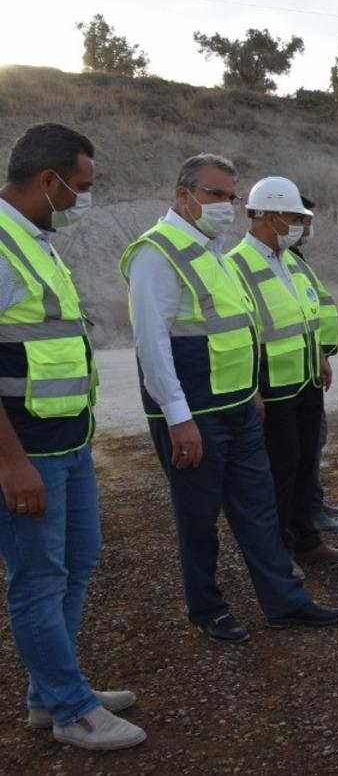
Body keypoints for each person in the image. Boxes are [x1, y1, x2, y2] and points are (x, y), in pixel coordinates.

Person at [120, 155, 338, 644]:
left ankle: (285, 602)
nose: (225, 205)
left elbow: (238, 332)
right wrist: (178, 418)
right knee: (199, 518)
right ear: (183, 195)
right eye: (214, 195)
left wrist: (250, 394)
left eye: (229, 195)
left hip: (239, 409)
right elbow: (152, 345)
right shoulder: (156, 254)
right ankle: (208, 609)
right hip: (194, 416)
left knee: (259, 508)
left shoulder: (212, 251)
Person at [0, 123, 146, 750]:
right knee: (37, 578)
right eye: (79, 187)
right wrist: (11, 463)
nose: (82, 199)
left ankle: (49, 692)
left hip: (68, 445)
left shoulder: (36, 240)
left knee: (77, 563)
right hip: (26, 454)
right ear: (47, 180)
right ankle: (70, 708)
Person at [226, 177, 338, 568]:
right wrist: (251, 390)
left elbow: (305, 317)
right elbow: (239, 333)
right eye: (293, 216)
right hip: (272, 390)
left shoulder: (290, 260)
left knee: (303, 468)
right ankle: (279, 557)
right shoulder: (235, 265)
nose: (300, 224)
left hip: (305, 382)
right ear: (267, 216)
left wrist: (320, 355)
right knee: (278, 476)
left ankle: (306, 541)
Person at [292, 196, 338, 535]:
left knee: (315, 441)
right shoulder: (283, 261)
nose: (308, 227)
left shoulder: (295, 259)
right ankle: (307, 514)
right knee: (305, 448)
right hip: (294, 376)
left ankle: (314, 503)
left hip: (311, 367)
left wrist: (322, 355)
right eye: (303, 219)